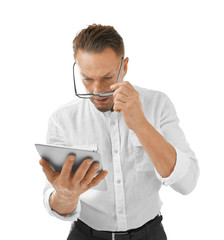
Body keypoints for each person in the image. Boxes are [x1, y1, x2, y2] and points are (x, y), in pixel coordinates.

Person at [39, 24, 199, 240]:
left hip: (149, 234)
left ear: (124, 66)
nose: (97, 91)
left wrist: (141, 125)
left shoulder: (157, 104)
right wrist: (65, 196)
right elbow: (58, 203)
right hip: (86, 235)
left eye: (107, 78)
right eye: (87, 78)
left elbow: (186, 184)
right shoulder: (62, 120)